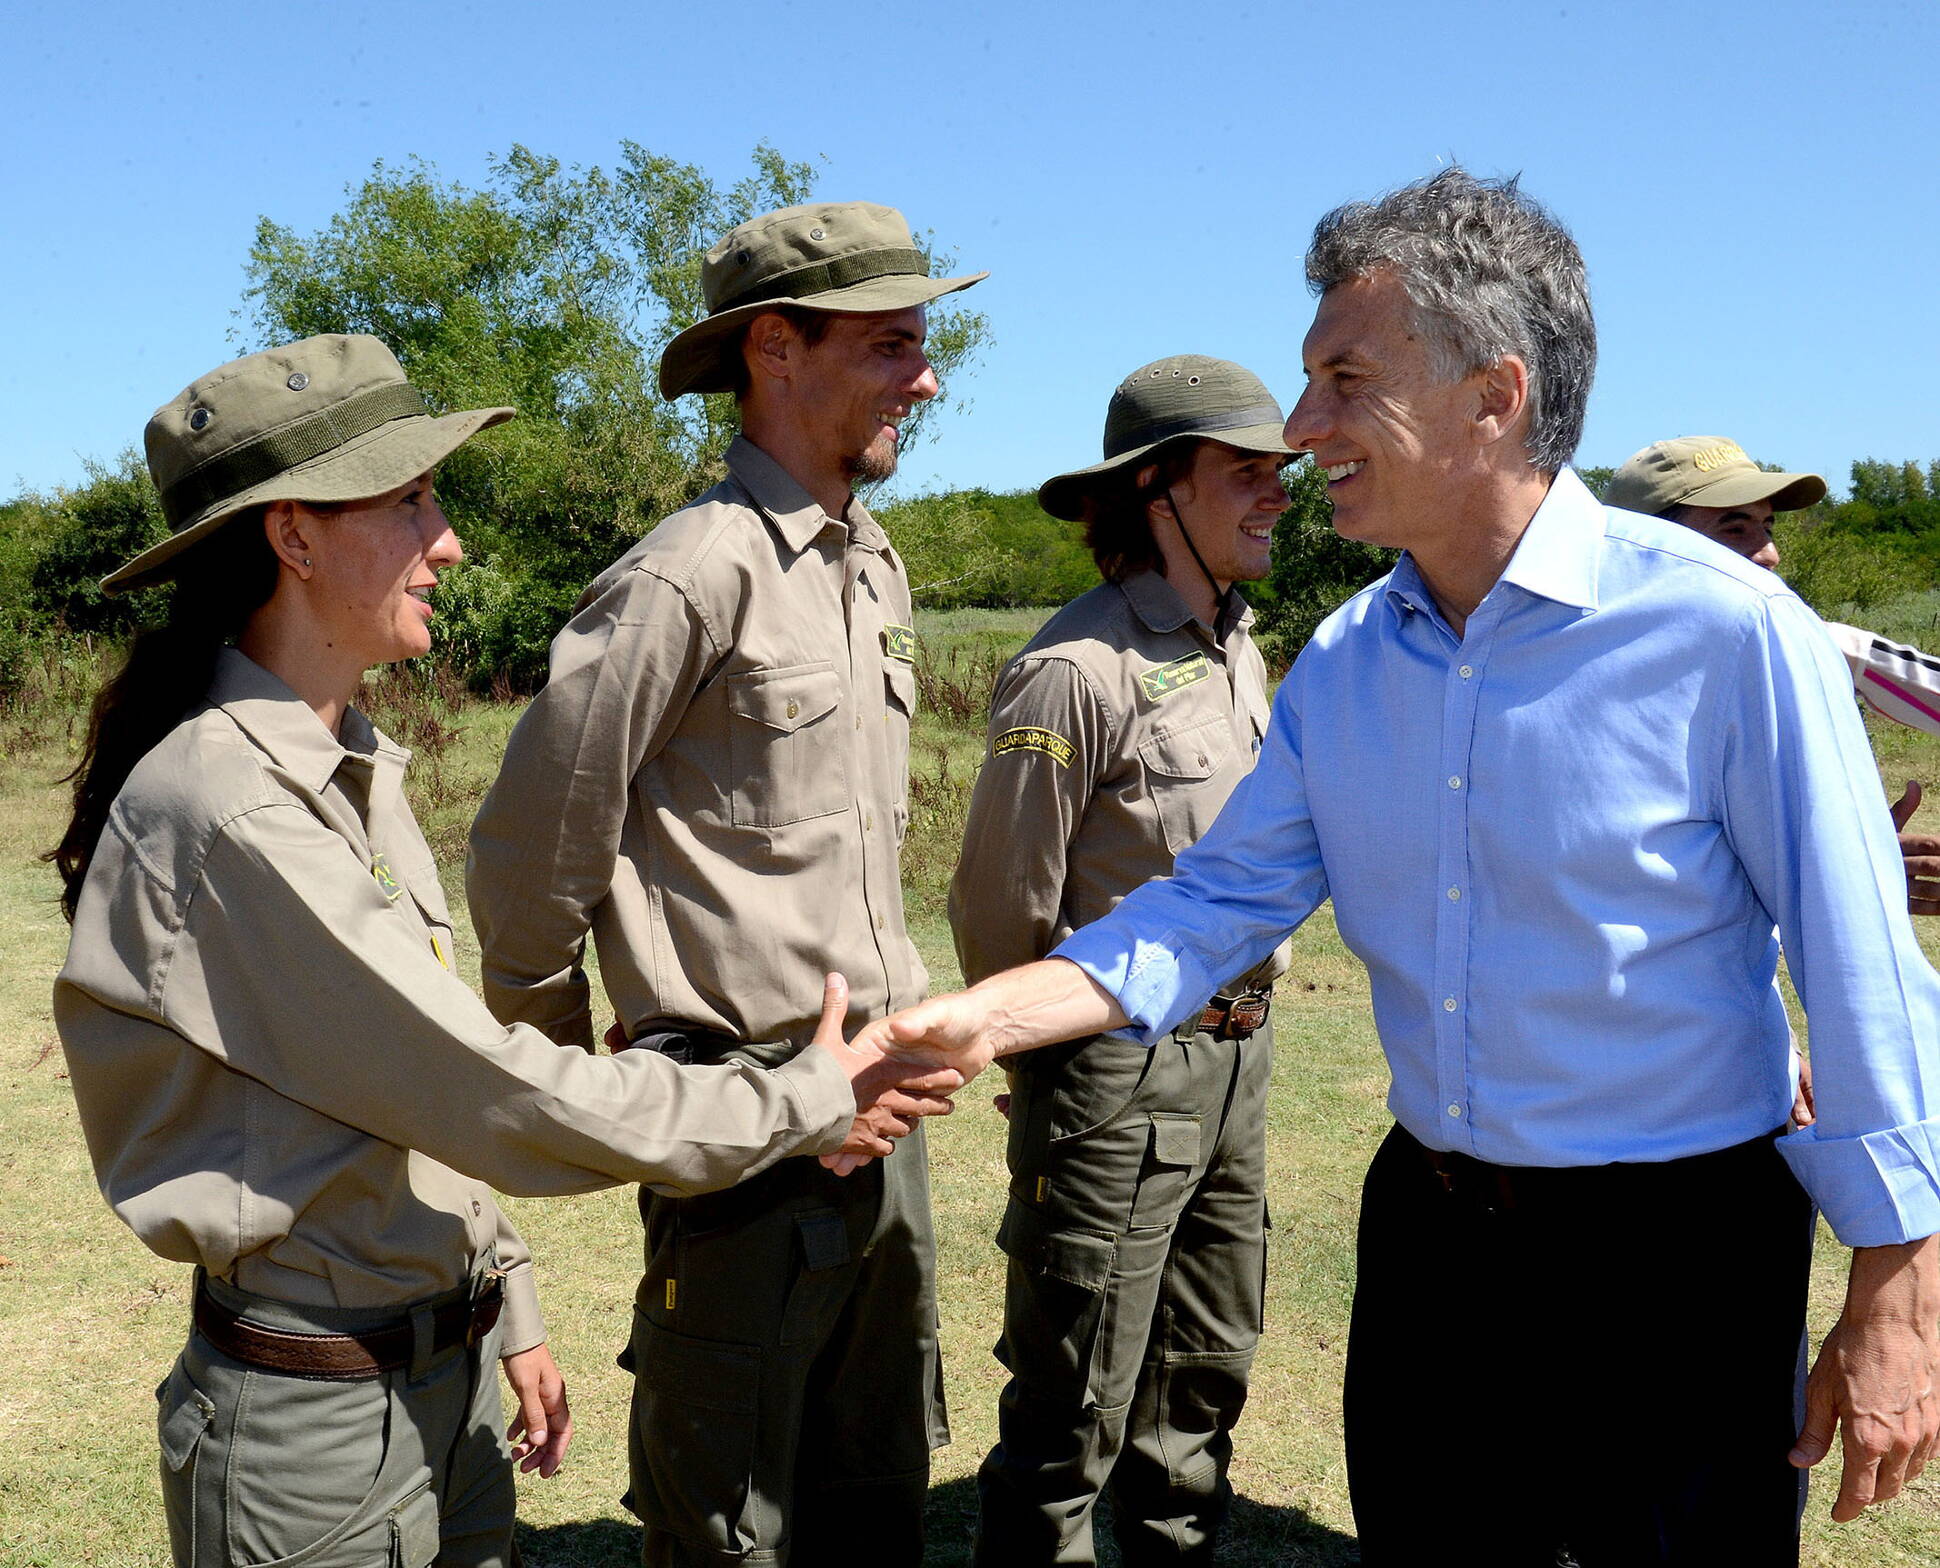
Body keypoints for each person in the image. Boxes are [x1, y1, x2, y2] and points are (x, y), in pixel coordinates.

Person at [862, 169, 1940, 1564]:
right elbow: (1218, 898)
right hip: (1435, 1239)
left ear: (1494, 396)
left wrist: (1901, 1293)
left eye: (1342, 381)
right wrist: (977, 1018)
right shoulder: (1351, 655)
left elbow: (1864, 970)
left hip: (1676, 1260)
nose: (1302, 433)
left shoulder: (1727, 635)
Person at [50, 333, 953, 1568]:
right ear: (294, 538)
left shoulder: (346, 762)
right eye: (410, 500)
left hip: (439, 1374)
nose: (450, 540)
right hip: (315, 1426)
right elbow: (487, 1083)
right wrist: (803, 1099)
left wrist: (507, 1300)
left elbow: (412, 1098)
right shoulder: (233, 806)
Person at [466, 201, 985, 1566]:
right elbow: (535, 836)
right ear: (776, 349)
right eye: (891, 347)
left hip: (886, 1114)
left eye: (919, 349)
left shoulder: (871, 565)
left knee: (872, 1491)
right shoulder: (689, 574)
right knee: (729, 1521)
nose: (924, 380)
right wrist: (579, 1069)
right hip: (742, 1121)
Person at [948, 355, 1293, 1564]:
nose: (1276, 493)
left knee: (1199, 1382)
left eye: (1279, 472)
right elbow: (1001, 908)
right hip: (1111, 1074)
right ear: (1159, 491)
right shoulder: (1075, 670)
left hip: (1237, 1065)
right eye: (1243, 471)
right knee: (1069, 1399)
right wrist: (1041, 1070)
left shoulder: (1238, 643)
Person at [1608, 436, 1940, 914]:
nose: (1770, 554)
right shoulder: (1546, 671)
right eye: (1734, 527)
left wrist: (1847, 864)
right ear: (1645, 540)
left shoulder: (1790, 646)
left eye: (1767, 525)